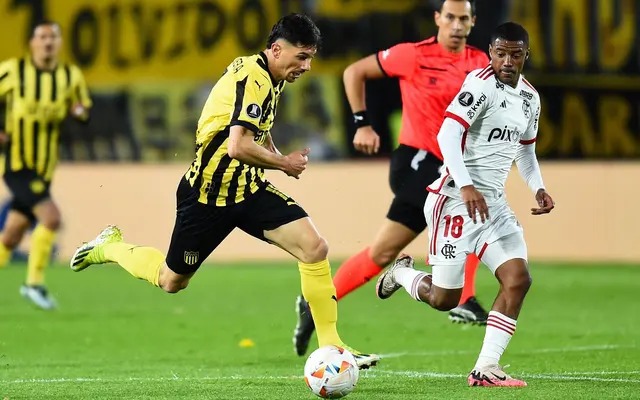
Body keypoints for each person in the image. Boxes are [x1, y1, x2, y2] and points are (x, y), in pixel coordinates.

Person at [69, 13, 379, 369]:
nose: (307, 66)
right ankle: (109, 247)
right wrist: (284, 164)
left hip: (247, 190)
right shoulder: (255, 80)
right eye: (302, 57)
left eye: (310, 57)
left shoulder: (268, 74)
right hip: (207, 195)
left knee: (314, 248)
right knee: (171, 281)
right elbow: (237, 146)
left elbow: (256, 127)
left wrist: (276, 156)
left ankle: (333, 348)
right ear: (277, 50)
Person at [293, 0, 490, 356]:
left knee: (383, 250)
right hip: (416, 160)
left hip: (452, 168)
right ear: (438, 19)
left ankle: (316, 302)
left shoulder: (480, 65)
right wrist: (362, 123)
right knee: (470, 204)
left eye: (464, 18)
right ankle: (465, 298)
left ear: (473, 22)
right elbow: (353, 72)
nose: (457, 25)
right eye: (450, 17)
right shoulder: (412, 55)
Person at [375, 22, 554, 387]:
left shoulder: (530, 98)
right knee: (445, 299)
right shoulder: (479, 84)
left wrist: (538, 187)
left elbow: (526, 150)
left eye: (515, 54)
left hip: (493, 208)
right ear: (490, 52)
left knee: (518, 280)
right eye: (500, 53)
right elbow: (448, 132)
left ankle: (486, 368)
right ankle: (402, 274)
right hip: (455, 200)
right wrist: (468, 185)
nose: (506, 61)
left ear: (525, 56)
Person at [0, 20, 91, 310]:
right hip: (18, 164)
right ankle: (34, 283)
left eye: (53, 37)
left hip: (45, 167)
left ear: (60, 43)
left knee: (13, 234)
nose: (48, 42)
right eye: (42, 37)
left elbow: (83, 110)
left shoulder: (70, 75)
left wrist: (79, 112)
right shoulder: (14, 71)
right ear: (32, 43)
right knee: (51, 217)